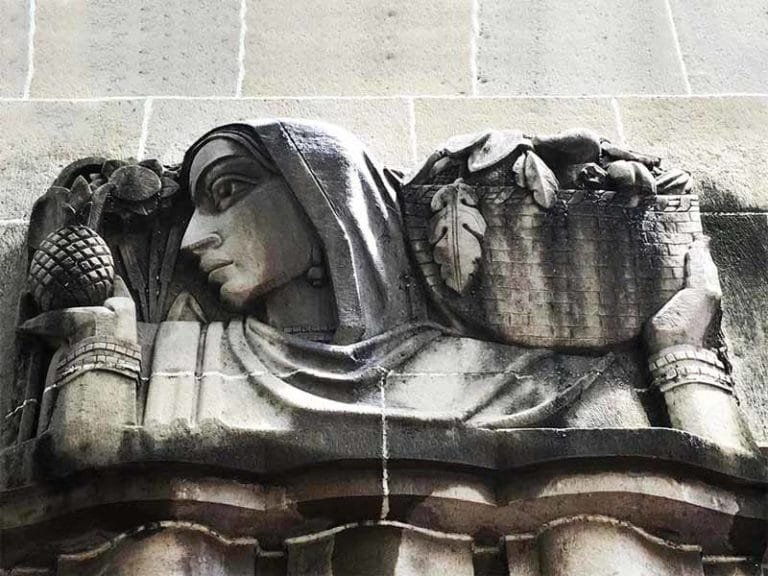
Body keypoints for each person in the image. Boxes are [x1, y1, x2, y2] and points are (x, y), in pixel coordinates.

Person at [22, 119, 754, 449]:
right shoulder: (181, 358)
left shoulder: (528, 384)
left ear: (325, 201)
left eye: (229, 191)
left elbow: (703, 481)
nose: (190, 236)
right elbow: (85, 459)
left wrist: (678, 354)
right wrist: (101, 337)